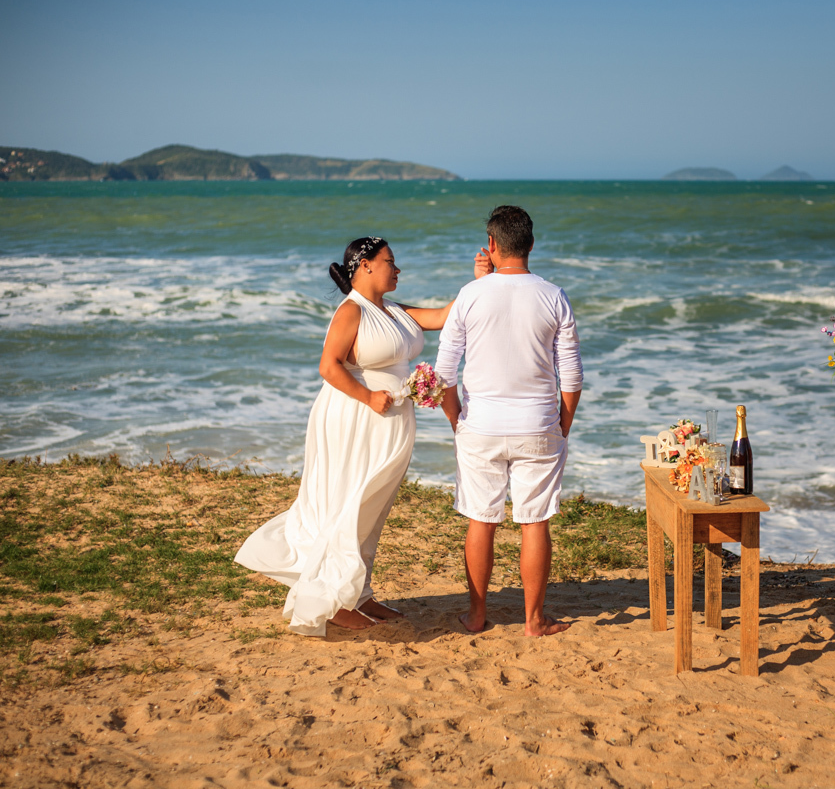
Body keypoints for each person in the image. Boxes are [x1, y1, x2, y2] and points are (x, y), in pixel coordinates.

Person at [235, 236, 488, 636]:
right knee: (348, 506)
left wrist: (478, 281)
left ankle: (358, 592)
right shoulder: (351, 311)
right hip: (354, 419)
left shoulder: (393, 311)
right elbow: (329, 366)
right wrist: (368, 396)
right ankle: (331, 601)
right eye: (390, 261)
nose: (397, 268)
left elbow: (444, 316)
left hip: (391, 423)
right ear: (365, 265)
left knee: (373, 509)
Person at [435, 206, 583, 637]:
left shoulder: (470, 295)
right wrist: (563, 425)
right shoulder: (554, 296)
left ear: (492, 245)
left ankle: (478, 615)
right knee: (534, 521)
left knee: (482, 520)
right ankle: (534, 621)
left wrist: (456, 420)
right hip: (538, 425)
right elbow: (571, 377)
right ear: (532, 245)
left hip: (480, 425)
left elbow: (445, 373)